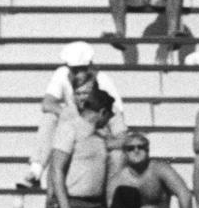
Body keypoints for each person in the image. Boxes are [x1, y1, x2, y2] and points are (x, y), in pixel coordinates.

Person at [20, 40, 127, 192]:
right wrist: (75, 118)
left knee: (116, 155)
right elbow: (47, 104)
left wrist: (96, 135)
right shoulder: (62, 75)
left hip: (98, 135)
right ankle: (36, 169)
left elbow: (118, 121)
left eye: (82, 69)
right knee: (51, 120)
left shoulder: (104, 81)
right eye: (75, 70)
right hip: (73, 131)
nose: (78, 73)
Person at [47, 86, 116, 208]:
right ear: (102, 112)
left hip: (95, 207)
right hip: (72, 205)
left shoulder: (99, 136)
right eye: (109, 115)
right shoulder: (70, 128)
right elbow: (56, 169)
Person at [107, 130, 192, 208]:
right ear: (125, 153)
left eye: (141, 147)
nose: (136, 151)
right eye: (131, 148)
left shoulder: (160, 169)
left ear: (147, 149)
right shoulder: (117, 180)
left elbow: (184, 194)